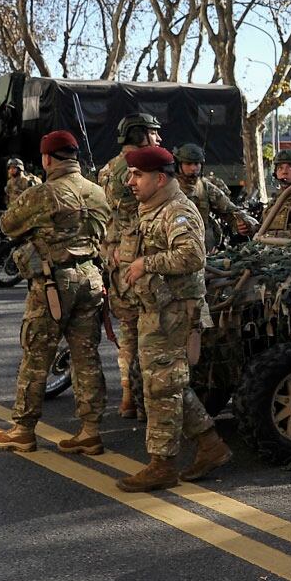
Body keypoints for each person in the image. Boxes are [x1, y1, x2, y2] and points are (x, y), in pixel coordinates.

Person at [115, 144, 231, 491]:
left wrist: (145, 264)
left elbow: (191, 256)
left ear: (159, 178)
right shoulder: (153, 208)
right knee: (169, 383)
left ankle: (162, 465)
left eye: (137, 175)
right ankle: (211, 446)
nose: (130, 181)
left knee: (161, 388)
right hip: (157, 309)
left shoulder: (178, 210)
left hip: (174, 312)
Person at [0, 131, 112, 454]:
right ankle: (90, 431)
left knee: (36, 354)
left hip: (53, 285)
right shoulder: (99, 193)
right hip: (92, 279)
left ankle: (23, 429)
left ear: (46, 159)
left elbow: (8, 224)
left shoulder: (42, 194)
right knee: (86, 356)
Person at [102, 113, 163, 418]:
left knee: (128, 331)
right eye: (154, 133)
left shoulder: (108, 168)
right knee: (150, 332)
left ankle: (127, 396)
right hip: (140, 255)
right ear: (140, 136)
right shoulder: (142, 169)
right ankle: (145, 402)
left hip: (115, 257)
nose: (159, 139)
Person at [173, 143, 252, 249]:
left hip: (201, 245)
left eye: (196, 164)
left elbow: (230, 210)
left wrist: (241, 224)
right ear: (179, 165)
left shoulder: (205, 187)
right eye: (188, 164)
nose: (193, 168)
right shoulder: (168, 187)